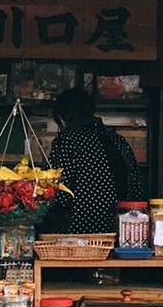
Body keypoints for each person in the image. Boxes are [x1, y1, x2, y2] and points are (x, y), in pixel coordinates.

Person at [46, 88, 145, 234]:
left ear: (62, 119)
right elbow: (136, 187)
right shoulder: (118, 140)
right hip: (122, 230)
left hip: (79, 231)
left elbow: (60, 191)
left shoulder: (66, 141)